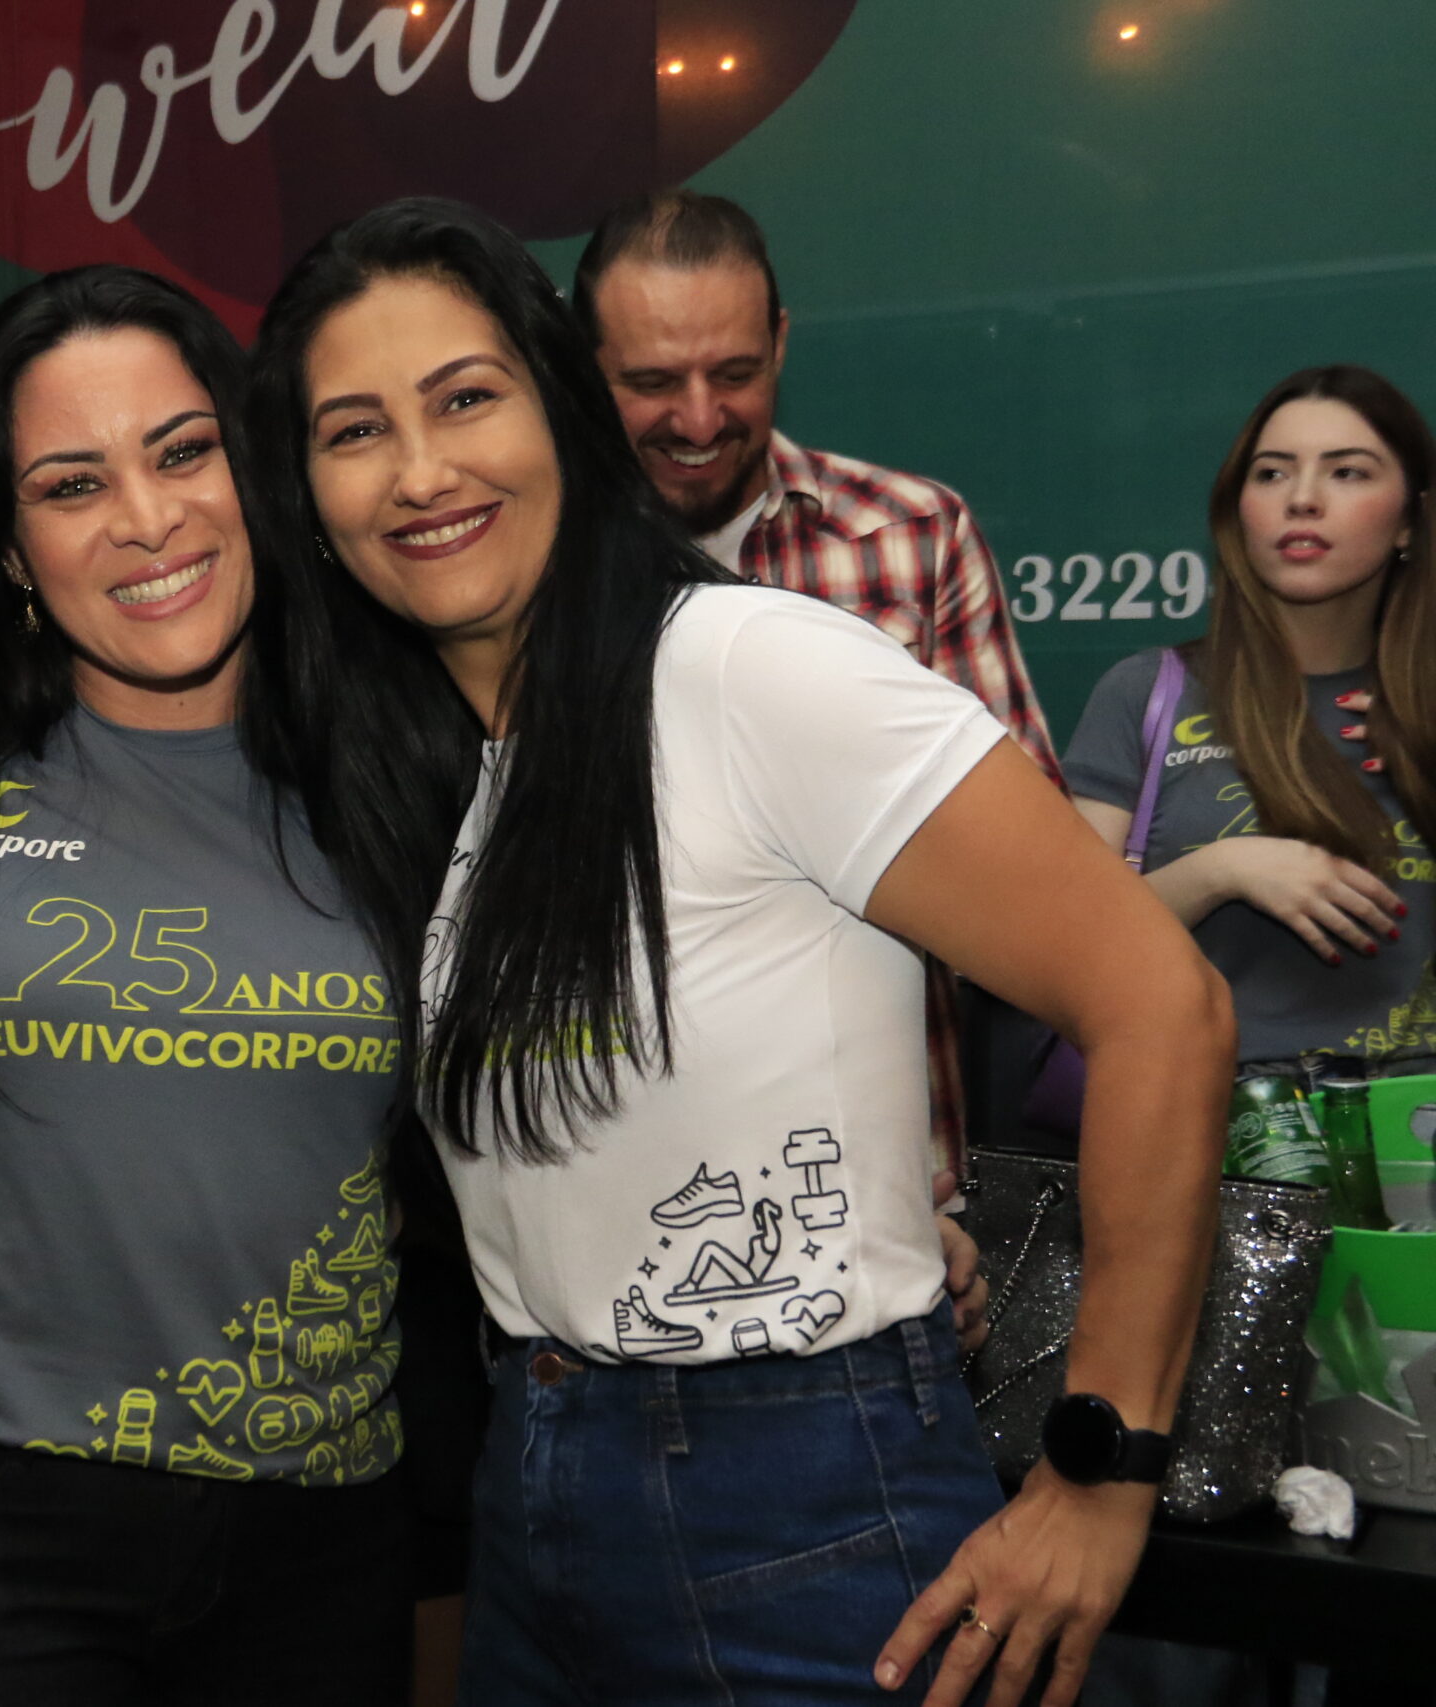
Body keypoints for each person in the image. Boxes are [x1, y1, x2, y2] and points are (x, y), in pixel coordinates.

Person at [243, 198, 1233, 1707]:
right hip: (541, 1486)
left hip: (799, 1502)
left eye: (465, 398)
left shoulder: (749, 665)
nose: (422, 470)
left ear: (562, 411)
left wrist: (1102, 1472)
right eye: (355, 429)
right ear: (308, 494)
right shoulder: (474, 773)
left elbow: (1163, 1003)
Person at [0, 264, 444, 1707]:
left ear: (257, 470)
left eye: (182, 451)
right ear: (8, 546)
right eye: (71, 483)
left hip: (321, 1519)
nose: (148, 518)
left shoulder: (397, 758)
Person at [573, 189, 1061, 1170]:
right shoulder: (535, 569)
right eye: (652, 381)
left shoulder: (910, 535)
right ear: (583, 367)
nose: (699, 417)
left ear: (782, 345)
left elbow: (1035, 880)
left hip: (891, 1172)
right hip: (618, 1171)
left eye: (736, 373)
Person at [1065, 365, 1436, 1073]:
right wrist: (1222, 870)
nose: (1302, 499)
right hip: (1201, 1112)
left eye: (1347, 472)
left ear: (1410, 521)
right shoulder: (1147, 692)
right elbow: (1062, 939)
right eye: (1272, 474)